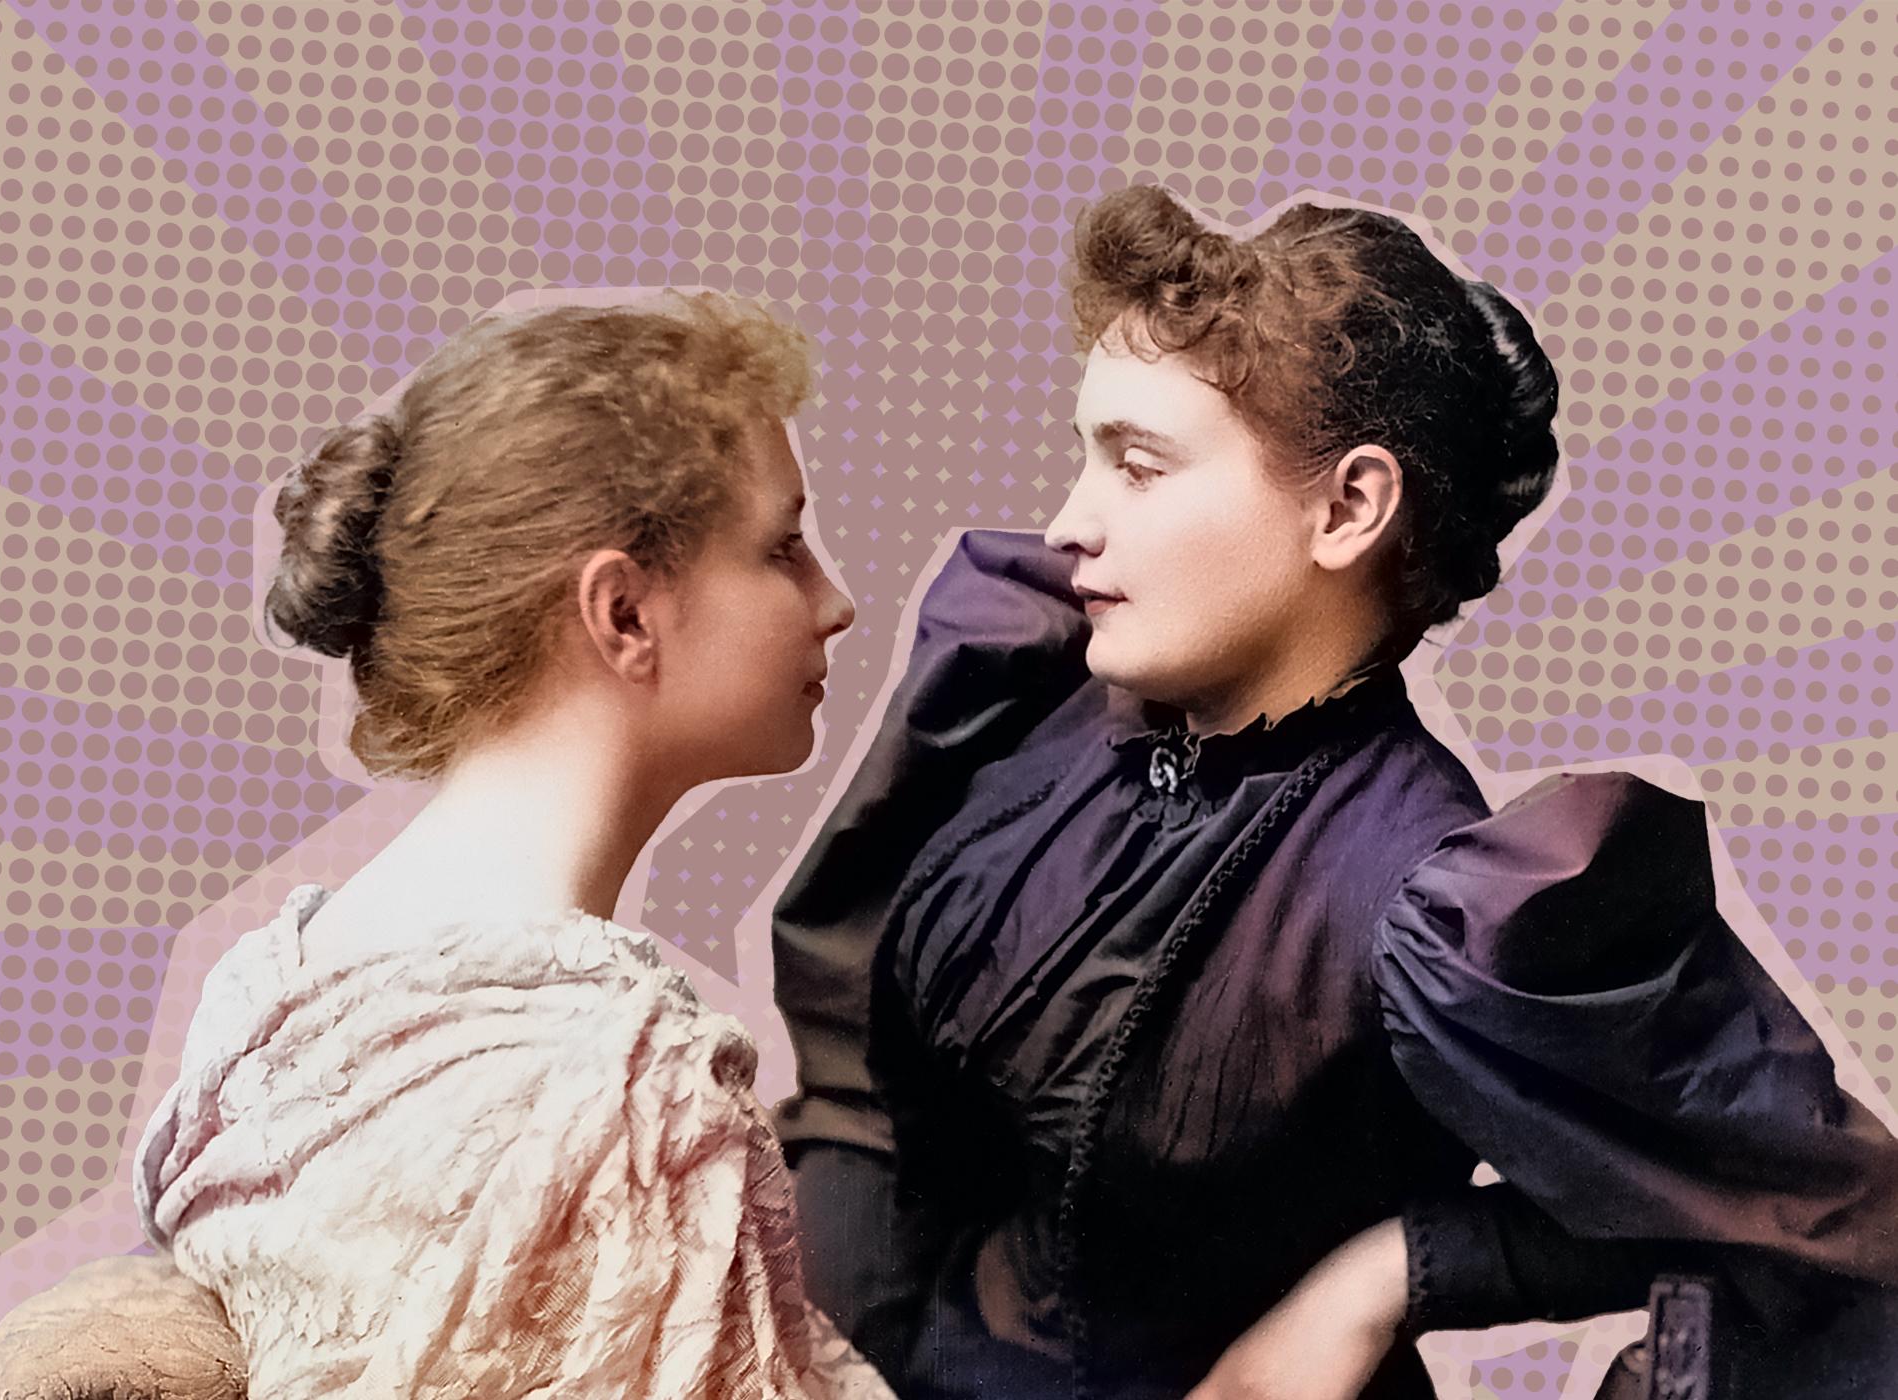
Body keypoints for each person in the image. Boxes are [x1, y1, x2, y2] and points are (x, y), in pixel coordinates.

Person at [770, 187, 1898, 1400]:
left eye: (1138, 467)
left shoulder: (1443, 904)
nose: (1069, 523)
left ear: (1349, 507)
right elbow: (849, 1053)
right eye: (1086, 455)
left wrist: (1390, 1273)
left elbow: (1826, 1220)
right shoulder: (1029, 676)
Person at [130, 292, 891, 1399]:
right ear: (623, 614)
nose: (835, 601)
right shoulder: (627, 1092)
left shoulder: (268, 990)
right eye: (782, 547)